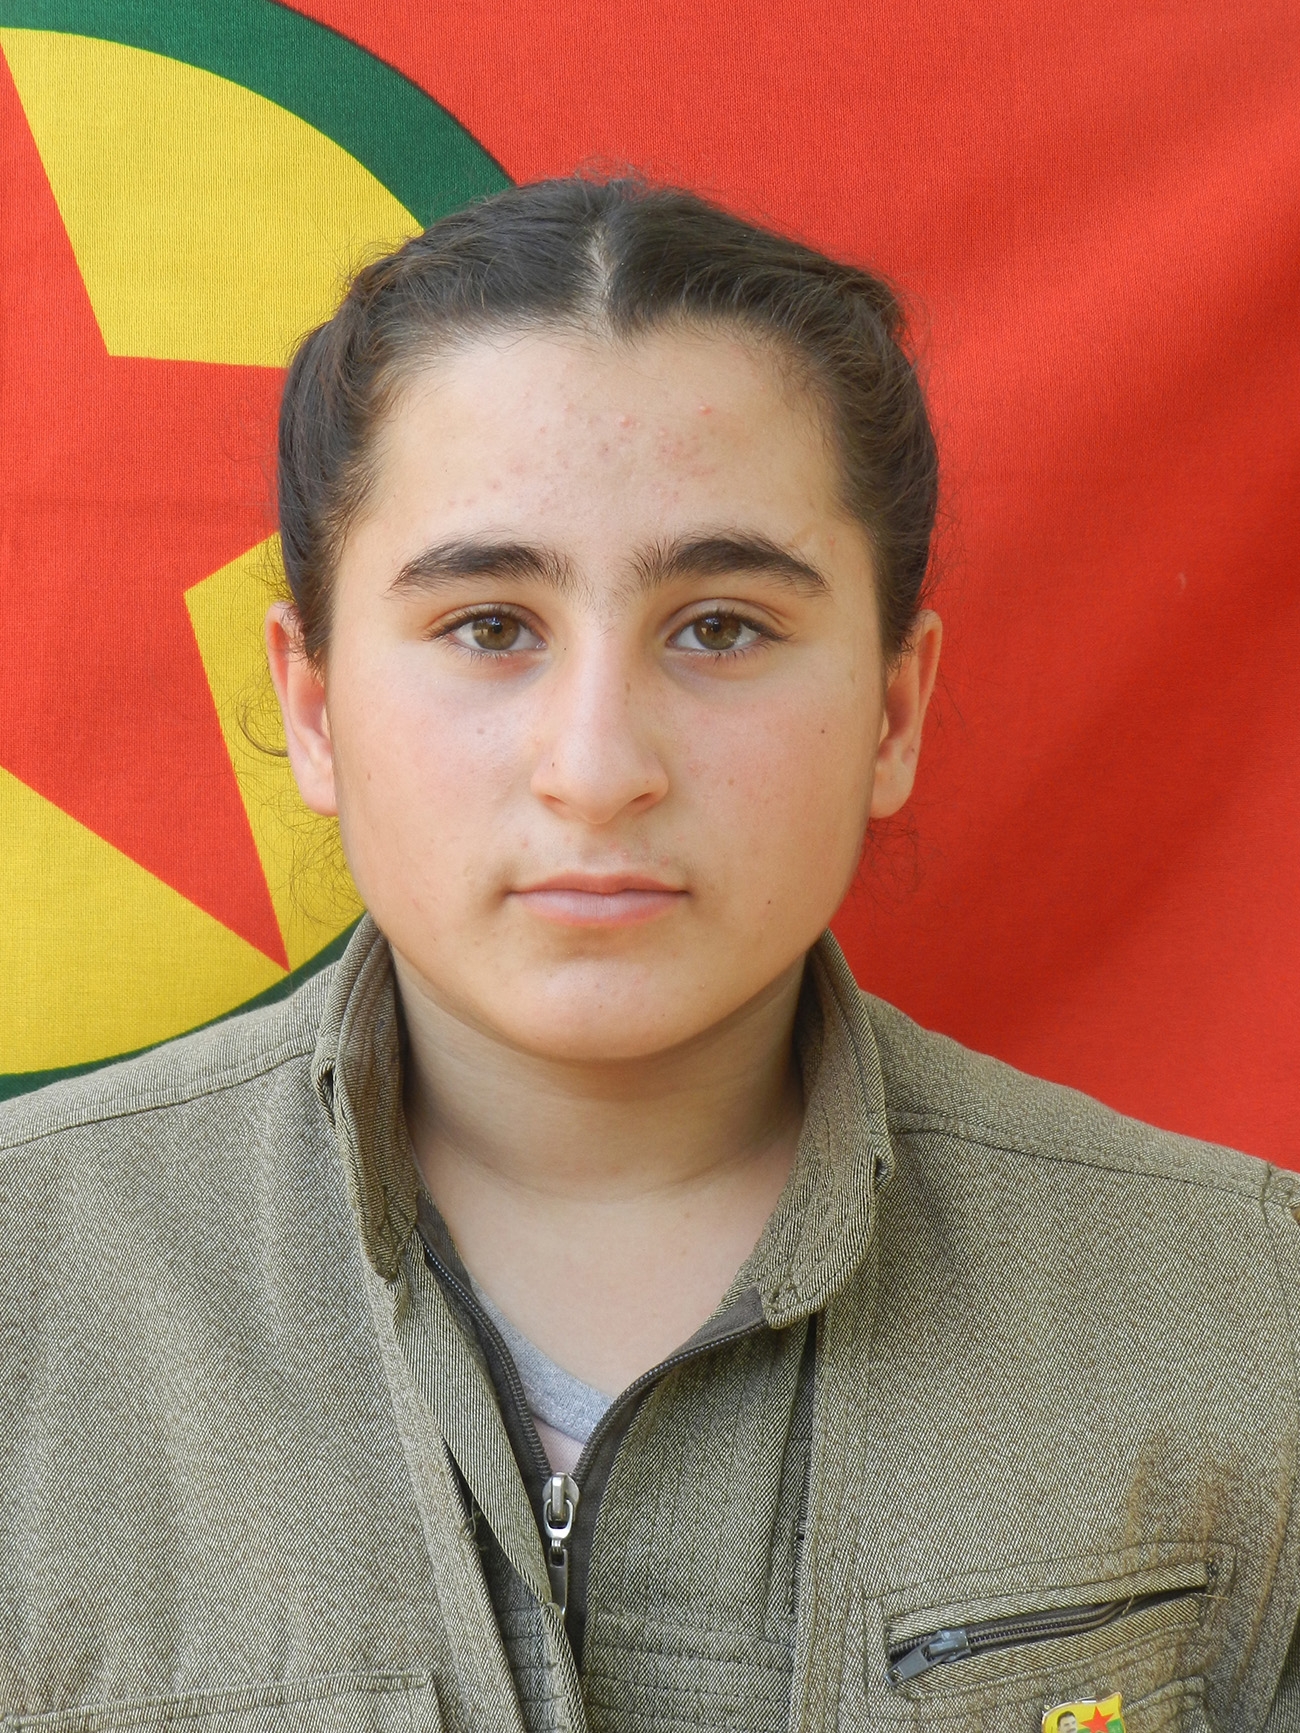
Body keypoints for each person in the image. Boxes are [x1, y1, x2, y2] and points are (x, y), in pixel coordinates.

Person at [1, 175, 1297, 1733]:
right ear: (315, 704)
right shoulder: (28, 1291)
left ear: (894, 709)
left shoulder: (1248, 1319)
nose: (599, 765)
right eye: (490, 626)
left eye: (721, 627)